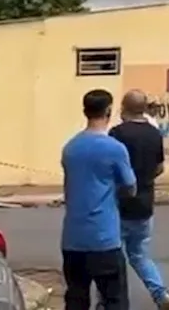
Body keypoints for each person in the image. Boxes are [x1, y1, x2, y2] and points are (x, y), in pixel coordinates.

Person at [60, 89, 136, 310]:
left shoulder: (70, 148)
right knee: (114, 299)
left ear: (85, 111)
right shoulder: (115, 148)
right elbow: (130, 187)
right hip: (104, 237)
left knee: (76, 298)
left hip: (73, 238)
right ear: (109, 111)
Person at [109, 90, 169, 310]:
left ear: (123, 108)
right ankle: (160, 294)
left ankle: (113, 301)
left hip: (120, 203)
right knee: (140, 254)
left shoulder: (117, 133)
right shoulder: (154, 134)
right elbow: (159, 167)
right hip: (145, 202)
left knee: (114, 256)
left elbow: (110, 166)